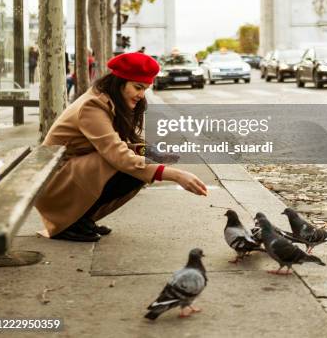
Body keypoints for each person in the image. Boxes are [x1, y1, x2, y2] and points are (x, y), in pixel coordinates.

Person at [35, 52, 207, 242]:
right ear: (119, 82)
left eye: (145, 89)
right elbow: (118, 154)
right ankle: (70, 222)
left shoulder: (106, 101)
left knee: (144, 163)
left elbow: (118, 145)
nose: (141, 95)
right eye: (138, 87)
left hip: (65, 176)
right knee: (126, 166)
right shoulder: (92, 106)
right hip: (53, 186)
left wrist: (151, 153)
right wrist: (175, 175)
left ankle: (81, 218)